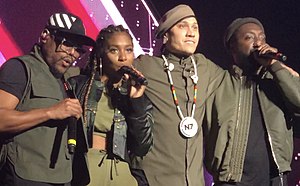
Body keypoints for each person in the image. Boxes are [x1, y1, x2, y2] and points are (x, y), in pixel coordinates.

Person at [132, 4, 225, 186]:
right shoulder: (146, 66)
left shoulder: (205, 68)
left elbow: (239, 81)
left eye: (195, 27)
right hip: (153, 179)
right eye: (183, 26)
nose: (191, 33)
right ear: (165, 36)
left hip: (194, 180)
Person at [0, 12, 95, 185]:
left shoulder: (64, 82)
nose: (72, 54)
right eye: (67, 44)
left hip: (62, 177)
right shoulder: (20, 68)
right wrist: (50, 112)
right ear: (45, 36)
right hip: (25, 176)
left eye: (78, 50)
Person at [204, 17, 300, 186]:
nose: (258, 43)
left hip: (274, 178)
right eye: (249, 38)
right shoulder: (219, 82)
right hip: (232, 180)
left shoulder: (277, 79)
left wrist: (275, 66)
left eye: (262, 38)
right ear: (232, 46)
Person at [68, 24, 153, 186]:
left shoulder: (138, 96)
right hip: (86, 169)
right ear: (101, 55)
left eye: (128, 50)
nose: (123, 57)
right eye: (114, 50)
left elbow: (142, 147)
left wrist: (136, 102)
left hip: (121, 173)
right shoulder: (78, 85)